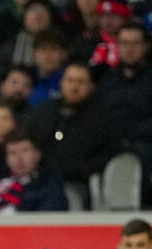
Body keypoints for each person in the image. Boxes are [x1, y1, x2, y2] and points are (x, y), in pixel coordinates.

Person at [99, 22, 152, 208]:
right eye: (124, 43)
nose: (129, 49)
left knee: (139, 156)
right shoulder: (106, 80)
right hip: (109, 142)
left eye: (135, 43)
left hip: (144, 142)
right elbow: (98, 117)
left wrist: (132, 135)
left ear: (145, 47)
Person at [23, 61, 122, 208]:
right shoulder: (43, 112)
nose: (74, 87)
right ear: (62, 83)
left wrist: (86, 169)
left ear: (90, 87)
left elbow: (112, 151)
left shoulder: (102, 118)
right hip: (38, 180)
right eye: (70, 81)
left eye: (81, 82)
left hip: (78, 183)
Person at [0, 130, 67, 211]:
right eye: (13, 153)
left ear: (37, 154)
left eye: (25, 151)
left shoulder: (51, 187)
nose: (19, 159)